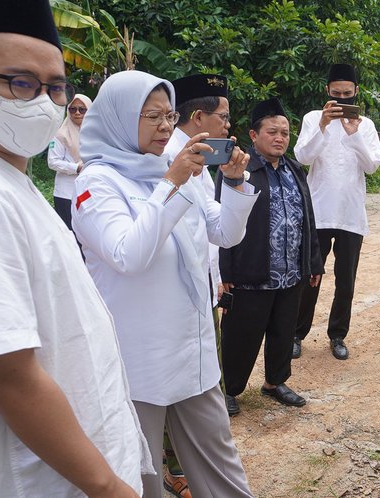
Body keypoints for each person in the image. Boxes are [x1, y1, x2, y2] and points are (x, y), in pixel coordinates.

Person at [0, 2, 149, 496]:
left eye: (55, 86)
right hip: (41, 478)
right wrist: (106, 485)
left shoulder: (3, 178)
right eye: (21, 82)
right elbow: (8, 374)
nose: (43, 101)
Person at [71, 70, 257, 498]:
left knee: (221, 469)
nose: (165, 126)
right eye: (151, 116)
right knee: (144, 477)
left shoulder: (176, 170)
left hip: (192, 351)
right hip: (139, 362)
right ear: (118, 118)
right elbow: (127, 255)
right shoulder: (96, 183)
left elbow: (224, 234)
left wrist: (231, 182)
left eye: (169, 116)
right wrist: (170, 183)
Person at [218, 97, 324, 413]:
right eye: (272, 132)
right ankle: (229, 389)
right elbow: (219, 221)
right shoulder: (238, 170)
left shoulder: (294, 170)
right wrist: (224, 273)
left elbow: (308, 218)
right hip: (251, 273)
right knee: (240, 336)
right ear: (253, 135)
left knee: (283, 331)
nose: (280, 138)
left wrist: (313, 261)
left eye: (285, 133)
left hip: (291, 273)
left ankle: (275, 382)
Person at [160, 72, 233, 498]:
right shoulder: (169, 160)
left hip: (203, 290)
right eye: (223, 116)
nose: (228, 125)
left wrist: (217, 281)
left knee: (205, 378)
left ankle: (192, 463)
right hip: (174, 297)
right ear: (199, 115)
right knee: (177, 385)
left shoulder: (202, 160)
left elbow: (210, 230)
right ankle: (174, 468)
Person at [294, 63, 380, 361]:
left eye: (347, 94)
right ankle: (297, 333)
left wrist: (354, 134)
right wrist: (322, 125)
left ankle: (337, 335)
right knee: (310, 277)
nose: (342, 100)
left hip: (350, 216)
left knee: (346, 282)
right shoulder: (312, 119)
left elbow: (372, 165)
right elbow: (303, 157)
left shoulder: (366, 125)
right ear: (326, 92)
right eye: (336, 94)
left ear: (356, 92)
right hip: (317, 213)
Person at [48, 93, 91, 230]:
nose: (77, 113)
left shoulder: (95, 133)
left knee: (86, 234)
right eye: (73, 109)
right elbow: (53, 161)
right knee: (68, 233)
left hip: (88, 191)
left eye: (82, 109)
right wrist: (76, 168)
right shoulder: (61, 134)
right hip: (66, 193)